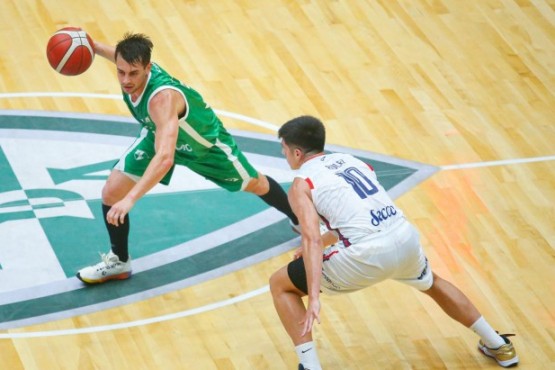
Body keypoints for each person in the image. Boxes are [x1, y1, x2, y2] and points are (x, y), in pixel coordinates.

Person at [269, 115, 518, 369]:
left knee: (281, 284)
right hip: (403, 237)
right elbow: (358, 215)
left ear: (297, 153)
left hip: (365, 256)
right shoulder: (354, 162)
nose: (284, 154)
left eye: (284, 149)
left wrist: (313, 297)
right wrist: (325, 239)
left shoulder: (301, 185)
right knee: (432, 282)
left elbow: (311, 241)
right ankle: (498, 344)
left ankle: (310, 366)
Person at [76, 33, 298, 283]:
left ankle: (300, 219)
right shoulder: (128, 68)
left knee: (256, 183)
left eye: (133, 73)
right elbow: (115, 54)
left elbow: (164, 159)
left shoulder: (162, 99)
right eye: (121, 72)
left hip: (204, 145)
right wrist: (91, 46)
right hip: (158, 134)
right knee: (110, 192)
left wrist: (130, 199)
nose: (126, 80)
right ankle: (120, 261)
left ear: (148, 68)